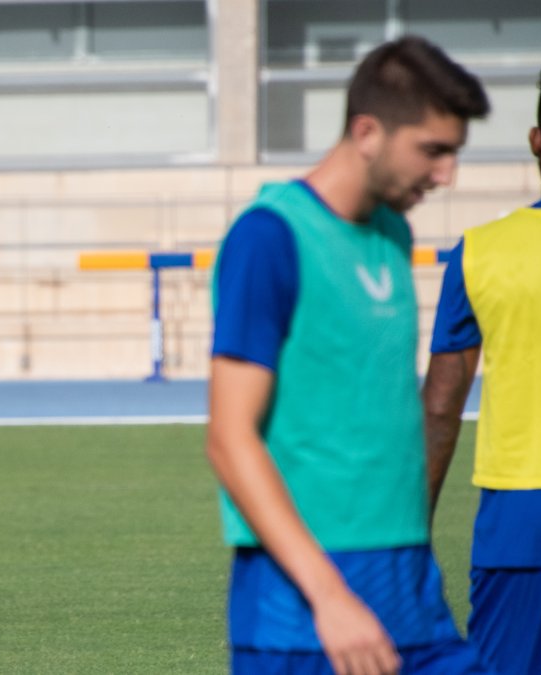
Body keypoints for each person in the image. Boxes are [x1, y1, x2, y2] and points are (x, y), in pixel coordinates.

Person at [205, 36, 492, 674]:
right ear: (367, 132)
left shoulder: (394, 231)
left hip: (410, 593)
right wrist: (330, 597)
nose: (446, 175)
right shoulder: (268, 237)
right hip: (301, 618)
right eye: (433, 150)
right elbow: (229, 437)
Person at [422, 68, 541, 675]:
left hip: (520, 520)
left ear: (536, 140)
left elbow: (442, 403)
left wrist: (406, 535)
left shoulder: (481, 250)